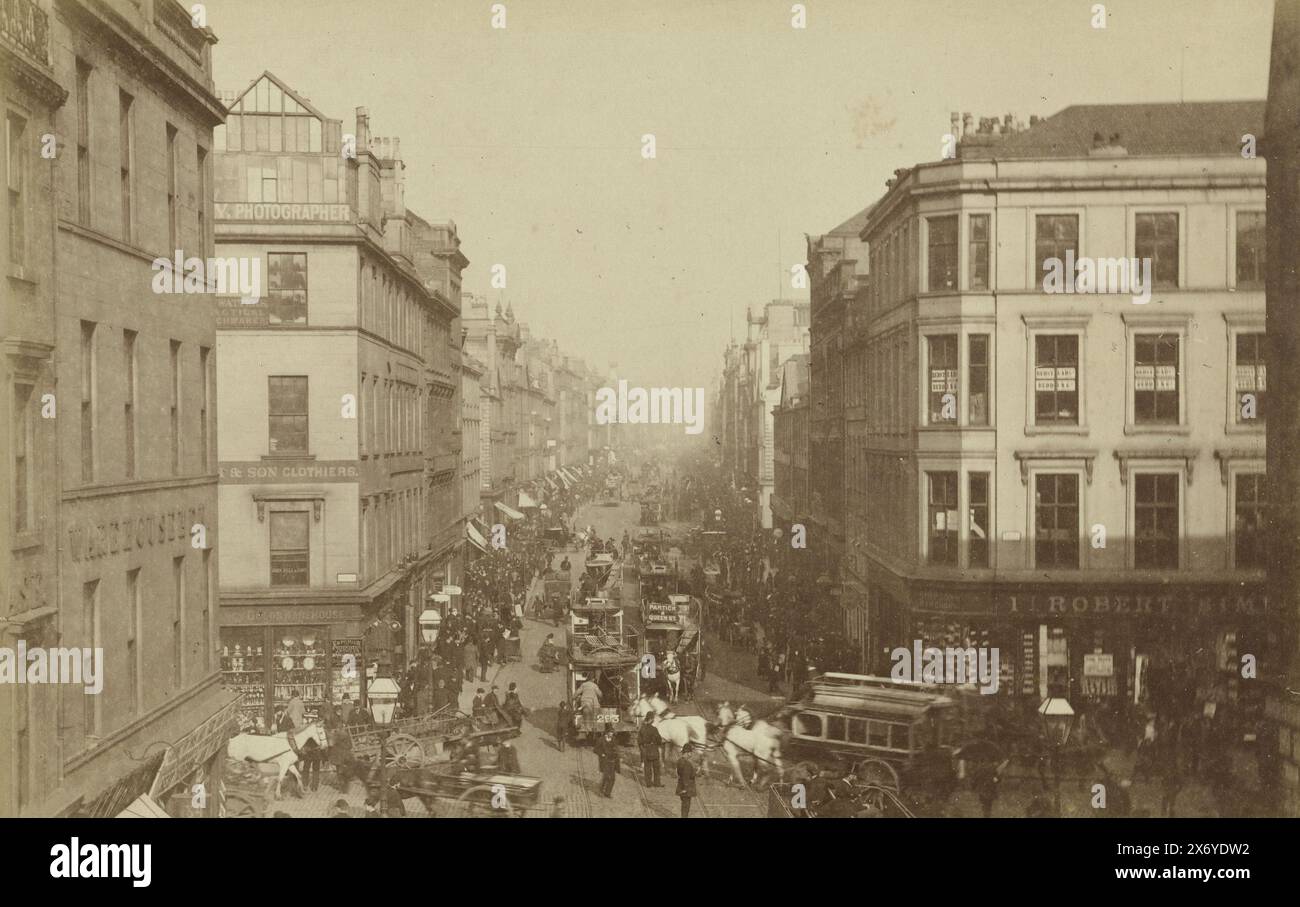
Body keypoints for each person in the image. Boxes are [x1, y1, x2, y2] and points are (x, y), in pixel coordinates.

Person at [638, 713, 663, 787]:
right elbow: (659, 740)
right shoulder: (654, 729)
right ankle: (657, 783)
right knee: (656, 768)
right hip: (654, 750)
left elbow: (639, 741)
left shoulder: (642, 729)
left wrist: (643, 748)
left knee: (647, 768)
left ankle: (648, 783)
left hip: (646, 750)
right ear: (651, 719)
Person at [595, 730, 620, 798]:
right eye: (610, 732)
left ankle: (607, 793)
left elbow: (616, 749)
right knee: (606, 777)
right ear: (606, 733)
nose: (612, 734)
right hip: (604, 760)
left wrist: (617, 756)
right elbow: (596, 749)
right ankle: (601, 790)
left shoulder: (613, 739)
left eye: (612, 733)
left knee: (612, 778)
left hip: (612, 760)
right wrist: (601, 754)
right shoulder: (601, 740)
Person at [676, 744, 698, 818]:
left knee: (684, 806)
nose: (691, 754)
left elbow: (680, 773)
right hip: (686, 789)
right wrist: (696, 772)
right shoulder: (687, 764)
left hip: (681, 786)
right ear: (688, 752)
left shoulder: (679, 761)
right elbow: (687, 776)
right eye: (691, 752)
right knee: (686, 807)